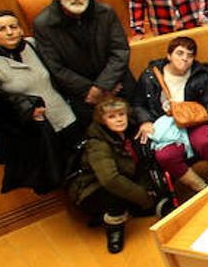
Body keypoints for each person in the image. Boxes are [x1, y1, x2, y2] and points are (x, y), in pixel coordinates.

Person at [130, 36, 208, 195]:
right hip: (166, 124)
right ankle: (202, 188)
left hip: (194, 120)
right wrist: (145, 121)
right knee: (165, 156)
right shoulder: (150, 76)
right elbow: (138, 104)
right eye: (180, 53)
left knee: (207, 140)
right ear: (169, 56)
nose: (185, 58)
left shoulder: (201, 74)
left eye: (190, 55)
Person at [0, 9, 81, 156]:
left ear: (21, 29)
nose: (10, 32)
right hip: (35, 129)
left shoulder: (34, 44)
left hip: (66, 116)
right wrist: (25, 109)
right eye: (2, 29)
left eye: (13, 27)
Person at [70, 98, 168, 253]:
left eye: (121, 114)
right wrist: (145, 197)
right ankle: (114, 229)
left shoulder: (131, 132)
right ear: (102, 120)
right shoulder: (97, 143)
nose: (119, 120)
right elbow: (110, 180)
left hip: (125, 180)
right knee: (113, 193)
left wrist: (148, 188)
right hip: (92, 189)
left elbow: (140, 164)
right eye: (112, 117)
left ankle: (134, 207)